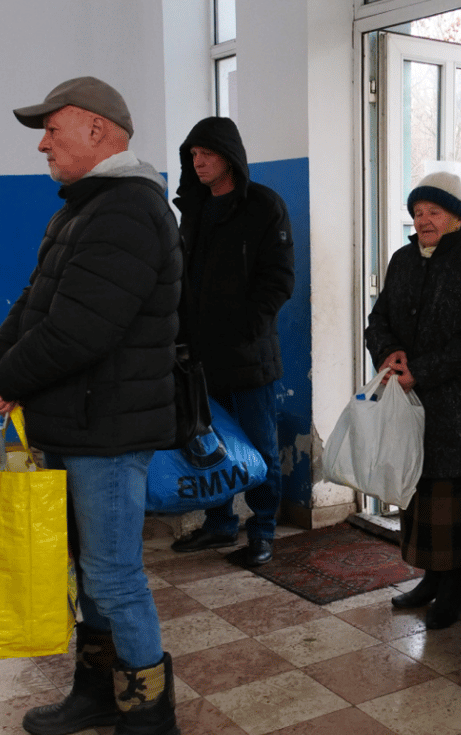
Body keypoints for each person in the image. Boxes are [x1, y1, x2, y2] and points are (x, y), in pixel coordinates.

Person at [0, 76, 183, 735]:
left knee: (115, 575)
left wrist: (12, 379)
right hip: (76, 421)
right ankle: (96, 690)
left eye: (53, 130)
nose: (43, 143)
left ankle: (152, 722)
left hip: (110, 431)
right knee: (89, 574)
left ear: (97, 131)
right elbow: (35, 302)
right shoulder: (83, 210)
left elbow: (80, 330)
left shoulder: (127, 212)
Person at [363, 171, 461, 630]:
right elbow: (378, 318)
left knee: (453, 499)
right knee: (418, 495)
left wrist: (420, 371)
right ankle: (428, 581)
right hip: (410, 404)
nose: (424, 220)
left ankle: (453, 592)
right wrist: (389, 354)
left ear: (457, 218)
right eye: (418, 213)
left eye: (434, 212)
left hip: (460, 408)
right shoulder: (403, 260)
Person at [169, 117, 295, 567]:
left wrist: (245, 328)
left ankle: (261, 531)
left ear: (230, 157)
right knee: (206, 442)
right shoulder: (196, 209)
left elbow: (278, 281)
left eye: (207, 154)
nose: (198, 163)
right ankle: (220, 524)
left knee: (261, 447)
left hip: (247, 355)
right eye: (193, 156)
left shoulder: (264, 206)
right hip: (197, 358)